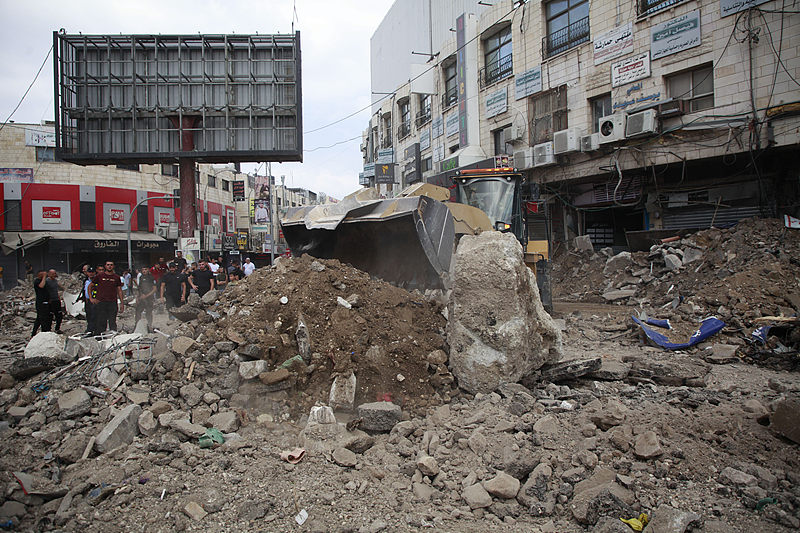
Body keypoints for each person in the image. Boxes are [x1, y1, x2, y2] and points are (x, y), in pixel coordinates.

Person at [92, 260, 124, 333]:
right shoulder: (100, 276)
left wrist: (122, 303)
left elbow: (119, 290)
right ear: (105, 266)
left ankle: (113, 336)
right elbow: (90, 286)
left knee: (112, 321)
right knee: (101, 321)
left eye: (111, 265)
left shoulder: (116, 277)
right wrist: (92, 298)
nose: (109, 266)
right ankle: (100, 337)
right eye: (108, 264)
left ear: (113, 266)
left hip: (112, 302)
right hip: (101, 302)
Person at [134, 266, 156, 331]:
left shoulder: (151, 277)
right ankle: (137, 325)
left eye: (145, 269)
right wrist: (138, 297)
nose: (144, 271)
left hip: (149, 298)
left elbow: (154, 289)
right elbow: (139, 288)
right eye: (143, 269)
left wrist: (146, 295)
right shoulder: (141, 277)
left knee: (148, 313)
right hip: (141, 298)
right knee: (138, 312)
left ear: (148, 270)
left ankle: (149, 326)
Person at [31, 271, 51, 336]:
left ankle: (35, 332)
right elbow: (41, 286)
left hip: (46, 302)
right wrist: (44, 277)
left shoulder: (45, 281)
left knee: (41, 318)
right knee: (42, 318)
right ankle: (43, 331)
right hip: (40, 303)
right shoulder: (37, 281)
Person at [45, 269, 63, 334]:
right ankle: (48, 329)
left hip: (56, 300)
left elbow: (58, 288)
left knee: (59, 315)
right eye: (53, 274)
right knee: (50, 316)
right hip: (51, 301)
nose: (54, 275)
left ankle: (57, 328)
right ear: (49, 274)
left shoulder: (55, 281)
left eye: (55, 273)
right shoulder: (47, 281)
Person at [82, 267, 97, 336]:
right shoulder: (86, 281)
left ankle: (91, 330)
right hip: (87, 301)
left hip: (94, 300)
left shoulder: (96, 280)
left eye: (92, 272)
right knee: (88, 315)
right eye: (89, 272)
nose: (91, 274)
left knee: (93, 316)